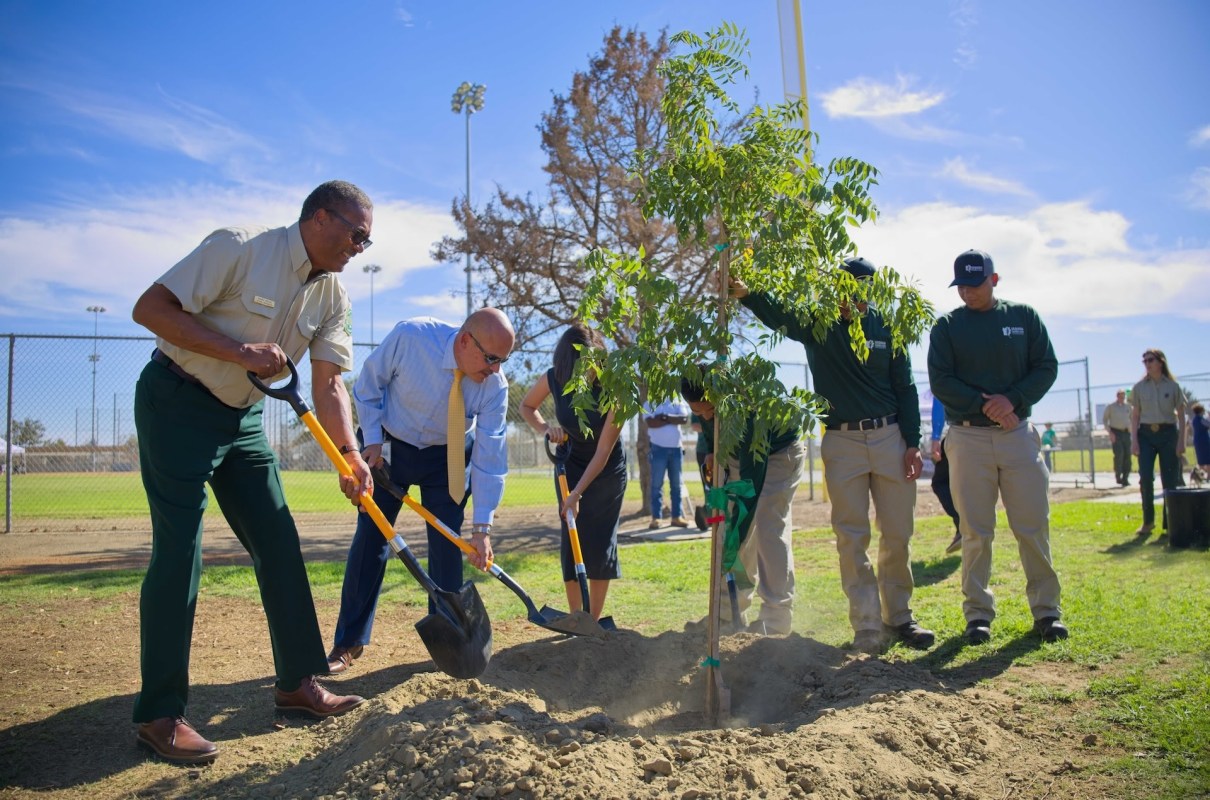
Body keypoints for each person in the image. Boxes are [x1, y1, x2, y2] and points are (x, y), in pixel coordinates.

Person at [129, 180, 373, 765]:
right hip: (176, 402)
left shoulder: (333, 295)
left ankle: (296, 683)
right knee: (180, 551)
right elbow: (150, 309)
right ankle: (159, 714)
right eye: (356, 234)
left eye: (368, 240)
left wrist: (351, 451)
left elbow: (330, 381)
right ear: (320, 217)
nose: (360, 248)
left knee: (278, 540)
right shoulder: (239, 248)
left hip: (240, 420)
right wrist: (241, 353)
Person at [731, 256, 933, 654]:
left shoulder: (888, 327)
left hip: (889, 434)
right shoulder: (818, 324)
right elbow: (781, 316)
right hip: (841, 442)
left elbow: (906, 387)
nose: (852, 298)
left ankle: (900, 617)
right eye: (846, 289)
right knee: (850, 534)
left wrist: (913, 441)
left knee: (898, 532)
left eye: (861, 290)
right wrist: (749, 294)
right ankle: (867, 625)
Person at [326, 309, 514, 674]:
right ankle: (348, 641)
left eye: (502, 361)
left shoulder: (495, 386)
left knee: (447, 542)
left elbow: (490, 457)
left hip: (449, 454)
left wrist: (482, 530)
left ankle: (449, 650)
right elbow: (367, 386)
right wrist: (373, 440)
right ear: (464, 341)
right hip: (390, 448)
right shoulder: (411, 337)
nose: (495, 369)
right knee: (372, 539)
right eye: (491, 358)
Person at [928, 249, 1067, 645]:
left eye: (975, 284)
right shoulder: (948, 327)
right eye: (962, 286)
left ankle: (1047, 612)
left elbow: (1046, 366)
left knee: (1032, 526)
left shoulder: (1023, 318)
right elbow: (942, 381)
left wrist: (1015, 399)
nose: (968, 292)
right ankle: (978, 616)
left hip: (1017, 434)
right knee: (975, 530)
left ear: (995, 279)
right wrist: (988, 406)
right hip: (968, 438)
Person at [681, 372, 804, 636]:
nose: (703, 416)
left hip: (777, 454)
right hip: (739, 453)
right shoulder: (708, 407)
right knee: (731, 533)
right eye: (696, 412)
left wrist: (736, 536)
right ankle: (727, 614)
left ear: (720, 399)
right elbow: (712, 426)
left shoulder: (748, 412)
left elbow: (751, 488)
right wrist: (716, 451)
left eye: (709, 410)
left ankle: (776, 618)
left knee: (768, 529)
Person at [519, 322, 626, 620]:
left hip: (606, 471)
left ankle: (592, 621)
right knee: (572, 538)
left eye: (592, 364)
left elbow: (603, 451)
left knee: (600, 541)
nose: (587, 372)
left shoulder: (615, 387)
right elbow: (527, 406)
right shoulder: (555, 378)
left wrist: (577, 493)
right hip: (569, 464)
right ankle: (576, 617)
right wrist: (547, 429)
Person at [1130, 349, 1186, 536]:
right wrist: (1134, 441)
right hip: (1145, 435)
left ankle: (1169, 522)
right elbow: (1135, 416)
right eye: (1144, 360)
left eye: (1150, 360)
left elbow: (1182, 418)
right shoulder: (1139, 387)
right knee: (1146, 477)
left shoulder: (1173, 386)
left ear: (1160, 362)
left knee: (1170, 480)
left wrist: (1181, 442)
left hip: (1168, 434)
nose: (1147, 363)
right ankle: (1148, 522)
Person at [644, 396, 691, 529]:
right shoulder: (649, 403)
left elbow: (684, 419)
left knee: (676, 485)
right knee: (656, 486)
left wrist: (663, 417)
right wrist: (672, 419)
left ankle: (677, 517)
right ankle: (656, 518)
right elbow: (651, 423)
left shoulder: (678, 401)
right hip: (658, 449)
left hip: (676, 449)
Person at [929, 394, 962, 555]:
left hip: (956, 433)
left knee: (940, 482)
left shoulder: (945, 369)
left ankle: (962, 524)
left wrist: (935, 436)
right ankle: (963, 527)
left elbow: (939, 400)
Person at [1103, 389, 1134, 486]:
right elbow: (1105, 420)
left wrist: (1132, 431)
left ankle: (1125, 478)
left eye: (1123, 396)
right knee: (1119, 455)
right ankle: (1118, 475)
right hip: (1116, 433)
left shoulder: (1128, 407)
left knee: (1127, 456)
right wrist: (1110, 433)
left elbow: (1133, 419)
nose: (1122, 398)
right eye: (1120, 396)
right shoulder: (1111, 407)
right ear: (1117, 396)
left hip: (1126, 433)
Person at [1191, 403, 1210, 480]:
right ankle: (1208, 475)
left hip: (1197, 440)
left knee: (1201, 459)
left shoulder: (1194, 419)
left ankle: (1201, 475)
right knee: (1208, 459)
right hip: (1204, 440)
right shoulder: (1201, 419)